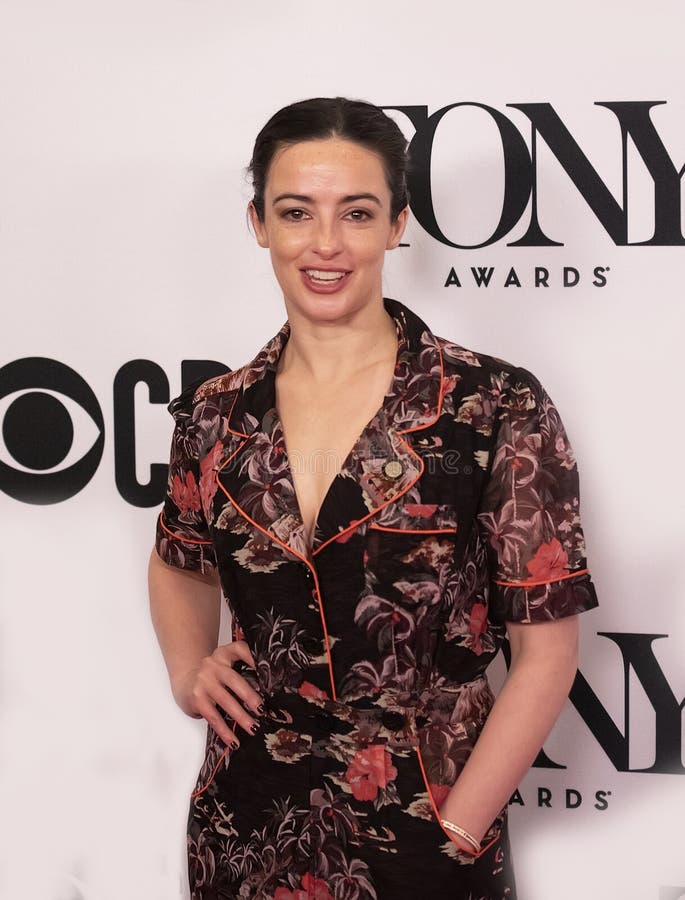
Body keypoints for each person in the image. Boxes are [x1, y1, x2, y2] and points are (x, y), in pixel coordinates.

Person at [148, 97, 599, 900]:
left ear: (396, 225)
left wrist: (459, 824)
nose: (325, 245)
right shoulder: (215, 411)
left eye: (356, 213)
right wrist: (190, 672)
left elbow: (546, 652)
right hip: (244, 827)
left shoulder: (493, 404)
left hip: (427, 829)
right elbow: (179, 560)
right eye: (296, 212)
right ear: (259, 223)